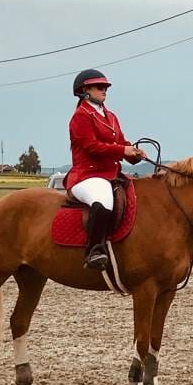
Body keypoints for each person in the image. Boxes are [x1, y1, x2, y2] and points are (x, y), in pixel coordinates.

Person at [64, 69, 146, 269]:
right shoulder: (80, 116)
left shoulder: (110, 116)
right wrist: (122, 149)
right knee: (103, 200)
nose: (104, 91)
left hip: (111, 174)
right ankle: (94, 250)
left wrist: (133, 153)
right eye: (99, 87)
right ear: (85, 91)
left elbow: (121, 141)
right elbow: (92, 146)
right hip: (87, 175)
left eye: (105, 87)